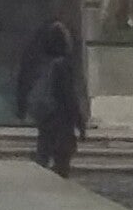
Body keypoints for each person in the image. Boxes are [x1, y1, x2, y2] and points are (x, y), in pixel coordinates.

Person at [16, 20, 88, 179]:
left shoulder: (40, 62)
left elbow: (24, 84)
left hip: (46, 116)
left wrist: (21, 109)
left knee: (43, 151)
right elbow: (69, 96)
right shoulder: (62, 65)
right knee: (62, 156)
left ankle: (39, 180)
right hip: (61, 118)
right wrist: (80, 123)